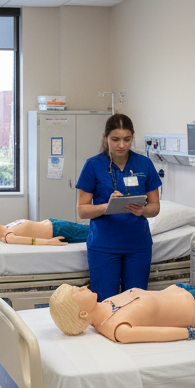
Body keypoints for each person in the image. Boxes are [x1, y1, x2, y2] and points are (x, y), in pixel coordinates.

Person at [77, 113, 162, 301]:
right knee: (106, 304)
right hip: (103, 246)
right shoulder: (93, 165)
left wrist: (143, 210)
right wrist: (107, 206)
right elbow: (82, 210)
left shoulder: (144, 164)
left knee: (136, 303)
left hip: (138, 246)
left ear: (132, 137)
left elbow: (155, 207)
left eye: (127, 139)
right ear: (105, 138)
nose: (121, 145)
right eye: (115, 139)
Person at [48, 280, 195, 341]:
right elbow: (161, 334)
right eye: (77, 291)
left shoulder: (105, 303)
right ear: (82, 313)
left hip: (188, 292)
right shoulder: (118, 329)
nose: (82, 287)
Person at [0, 214, 88, 246]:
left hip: (55, 223)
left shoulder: (7, 226)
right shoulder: (8, 236)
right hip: (57, 231)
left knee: (88, 229)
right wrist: (49, 242)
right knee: (90, 232)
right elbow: (32, 241)